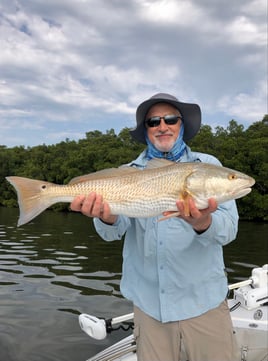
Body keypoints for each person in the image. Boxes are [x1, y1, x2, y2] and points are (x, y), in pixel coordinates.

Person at [71, 93, 239, 361]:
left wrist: (202, 222)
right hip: (149, 310)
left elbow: (229, 231)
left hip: (204, 305)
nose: (163, 126)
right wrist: (105, 217)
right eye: (153, 122)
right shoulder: (128, 173)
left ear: (181, 124)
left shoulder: (208, 167)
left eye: (170, 119)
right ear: (146, 130)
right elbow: (112, 233)